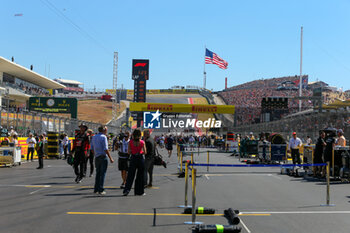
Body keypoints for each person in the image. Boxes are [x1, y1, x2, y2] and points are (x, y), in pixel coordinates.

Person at [91, 125, 114, 195]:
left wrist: (95, 154)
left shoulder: (94, 137)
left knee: (98, 173)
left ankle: (96, 188)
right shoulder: (104, 137)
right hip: (103, 156)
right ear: (104, 130)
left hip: (97, 156)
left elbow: (91, 148)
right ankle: (101, 189)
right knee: (102, 173)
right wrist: (110, 158)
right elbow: (105, 149)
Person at [123, 128, 147, 196]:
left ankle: (126, 190)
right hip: (140, 158)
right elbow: (145, 152)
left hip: (133, 158)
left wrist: (133, 151)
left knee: (130, 176)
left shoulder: (130, 142)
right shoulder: (142, 142)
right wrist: (140, 151)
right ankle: (139, 191)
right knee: (140, 176)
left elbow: (128, 152)